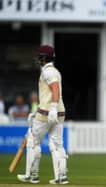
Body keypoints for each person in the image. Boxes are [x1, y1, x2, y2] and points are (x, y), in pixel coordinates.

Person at [17, 45, 69, 184]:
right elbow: (49, 93)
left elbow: (55, 89)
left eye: (40, 56)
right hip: (58, 112)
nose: (38, 58)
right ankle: (61, 176)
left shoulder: (48, 72)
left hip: (47, 112)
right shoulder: (55, 71)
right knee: (57, 145)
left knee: (33, 141)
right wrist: (37, 111)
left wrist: (51, 108)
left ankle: (32, 175)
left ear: (44, 58)